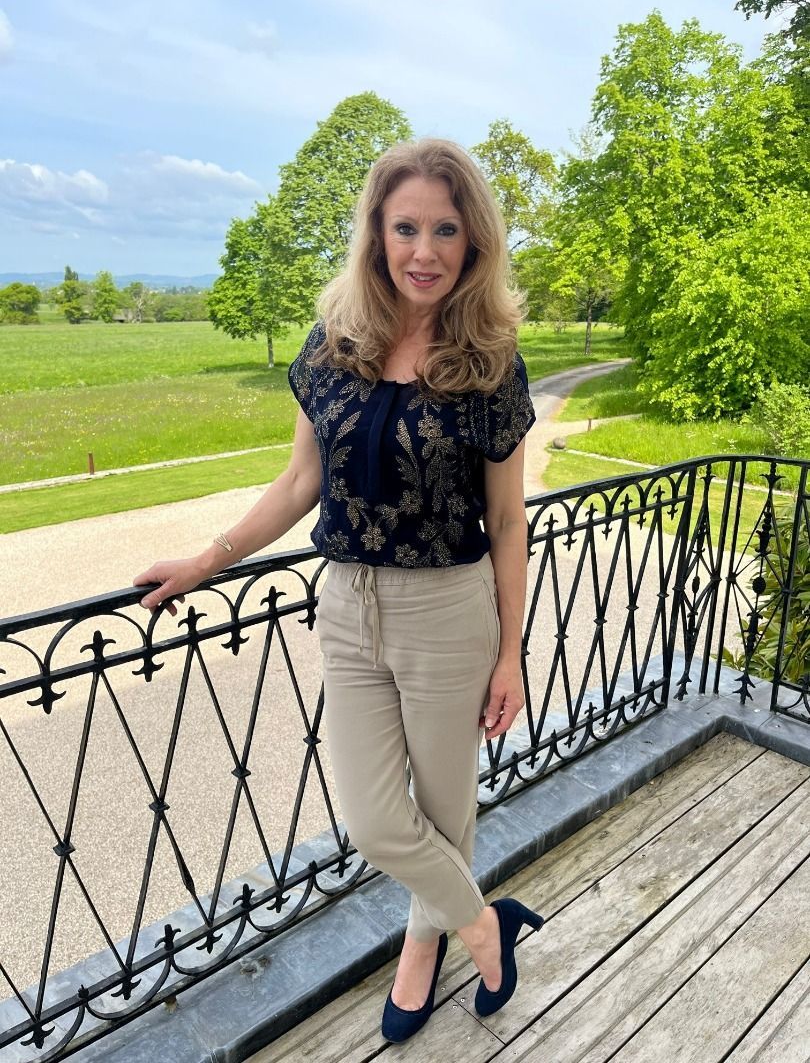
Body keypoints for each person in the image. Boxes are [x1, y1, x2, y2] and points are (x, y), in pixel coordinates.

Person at [133, 137, 544, 1044]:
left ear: (474, 241)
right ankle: (485, 925)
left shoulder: (489, 357)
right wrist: (205, 560)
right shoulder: (335, 347)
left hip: (449, 609)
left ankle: (420, 947)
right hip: (350, 605)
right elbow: (296, 485)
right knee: (372, 818)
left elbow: (509, 521)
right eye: (406, 227)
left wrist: (511, 650)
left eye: (446, 229)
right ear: (376, 232)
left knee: (444, 810)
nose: (425, 250)